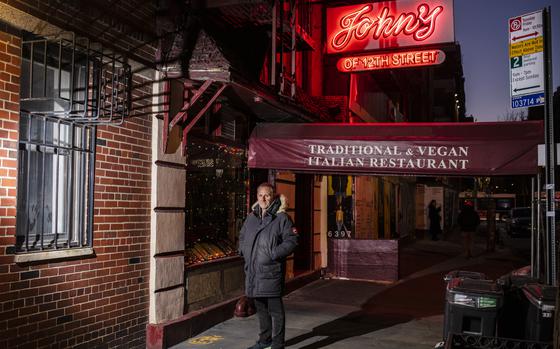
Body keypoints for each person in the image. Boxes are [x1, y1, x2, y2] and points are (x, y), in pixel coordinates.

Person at [239, 183, 298, 349]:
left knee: (276, 311)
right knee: (261, 309)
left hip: (271, 271)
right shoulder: (251, 217)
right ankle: (265, 340)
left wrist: (274, 254)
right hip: (254, 272)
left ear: (273, 197)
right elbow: (242, 235)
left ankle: (277, 344)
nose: (263, 199)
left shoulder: (282, 218)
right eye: (260, 196)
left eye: (267, 195)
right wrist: (243, 250)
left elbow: (292, 241)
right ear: (256, 197)